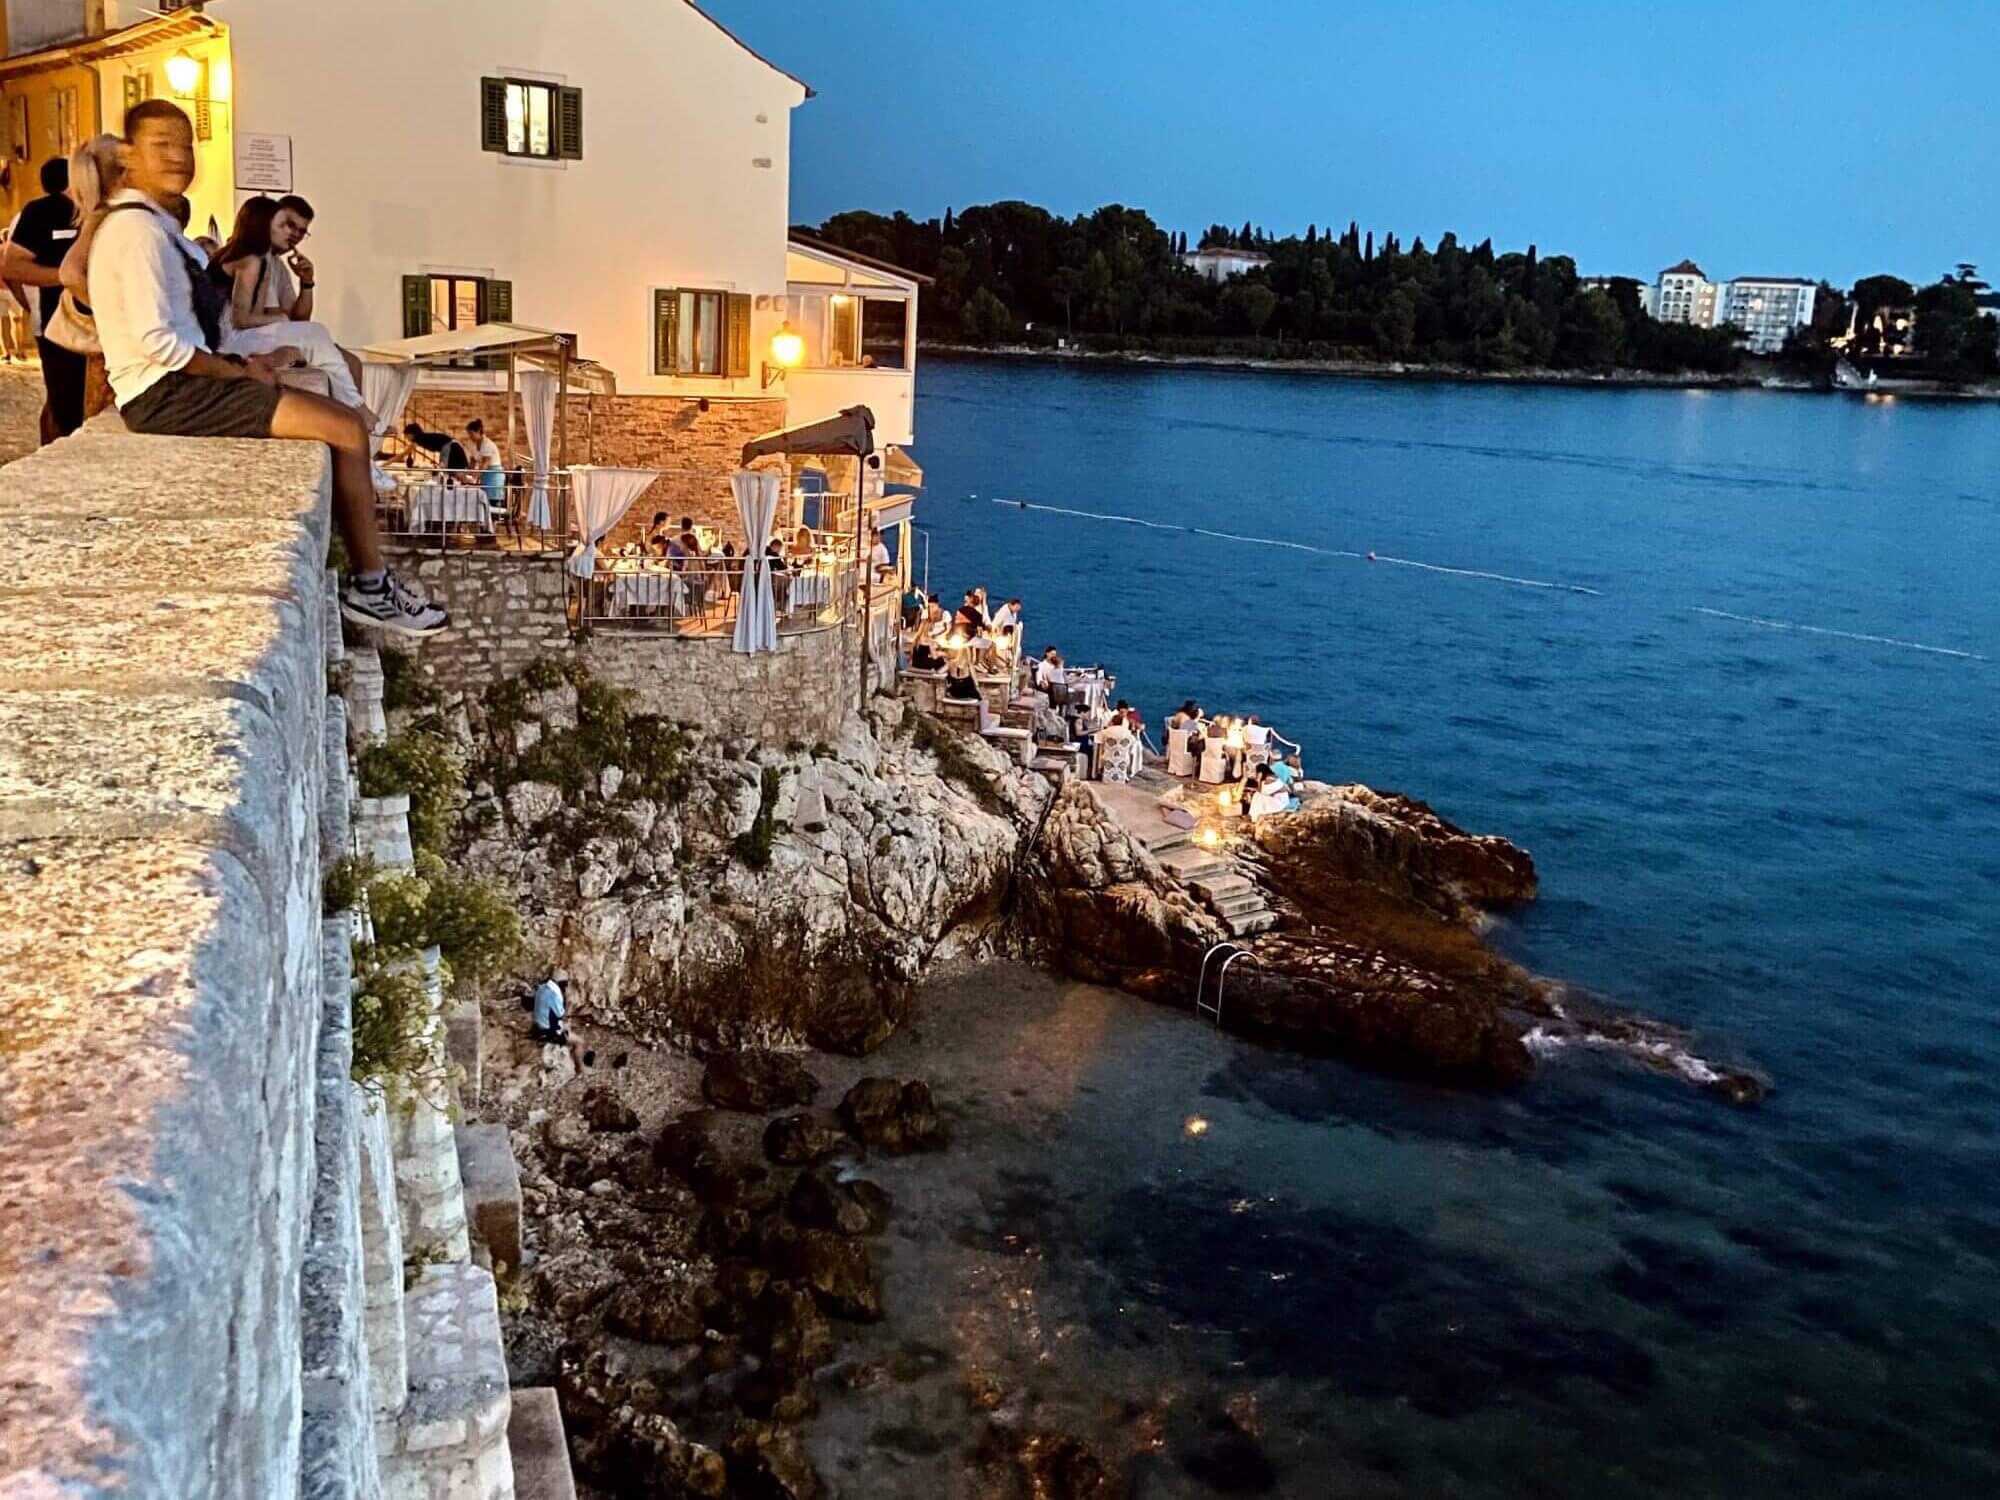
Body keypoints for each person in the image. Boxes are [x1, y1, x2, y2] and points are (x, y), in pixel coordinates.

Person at [94, 101, 448, 634]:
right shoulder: (138, 234)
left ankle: (367, 575)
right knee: (346, 428)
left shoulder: (152, 228)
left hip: (182, 382)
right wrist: (237, 373)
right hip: (167, 394)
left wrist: (243, 362)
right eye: (160, 144)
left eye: (185, 144)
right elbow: (156, 343)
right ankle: (371, 586)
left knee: (337, 416)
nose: (177, 156)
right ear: (129, 155)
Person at [209, 195, 370, 416]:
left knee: (352, 361)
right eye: (288, 225)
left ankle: (355, 427)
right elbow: (243, 317)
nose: (293, 234)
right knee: (318, 343)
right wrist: (280, 317)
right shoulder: (249, 257)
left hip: (268, 333)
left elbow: (299, 318)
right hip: (241, 337)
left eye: (301, 231)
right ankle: (356, 416)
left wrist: (307, 282)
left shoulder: (278, 267)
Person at [4, 156, 86, 439]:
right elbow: (11, 266)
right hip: (54, 325)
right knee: (63, 404)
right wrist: (62, 279)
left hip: (99, 328)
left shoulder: (99, 210)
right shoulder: (36, 212)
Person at [402, 421, 474, 482]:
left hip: (451, 449)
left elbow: (403, 454)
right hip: (451, 448)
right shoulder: (422, 437)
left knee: (457, 473)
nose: (406, 438)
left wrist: (390, 461)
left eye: (407, 435)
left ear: (411, 434)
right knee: (453, 473)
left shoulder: (419, 438)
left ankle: (471, 488)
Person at [465, 418, 505, 509]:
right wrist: (467, 474)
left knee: (492, 503)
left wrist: (475, 477)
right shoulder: (474, 445)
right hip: (484, 475)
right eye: (469, 434)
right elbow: (472, 462)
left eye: (471, 434)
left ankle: (492, 521)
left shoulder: (488, 444)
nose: (470, 436)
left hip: (493, 475)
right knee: (483, 501)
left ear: (478, 431)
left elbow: (485, 464)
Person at [531, 971, 569, 1044]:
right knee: (579, 1042)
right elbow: (561, 1014)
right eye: (565, 984)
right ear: (561, 983)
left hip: (537, 1025)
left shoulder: (541, 988)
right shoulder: (554, 995)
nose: (566, 986)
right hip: (547, 1030)